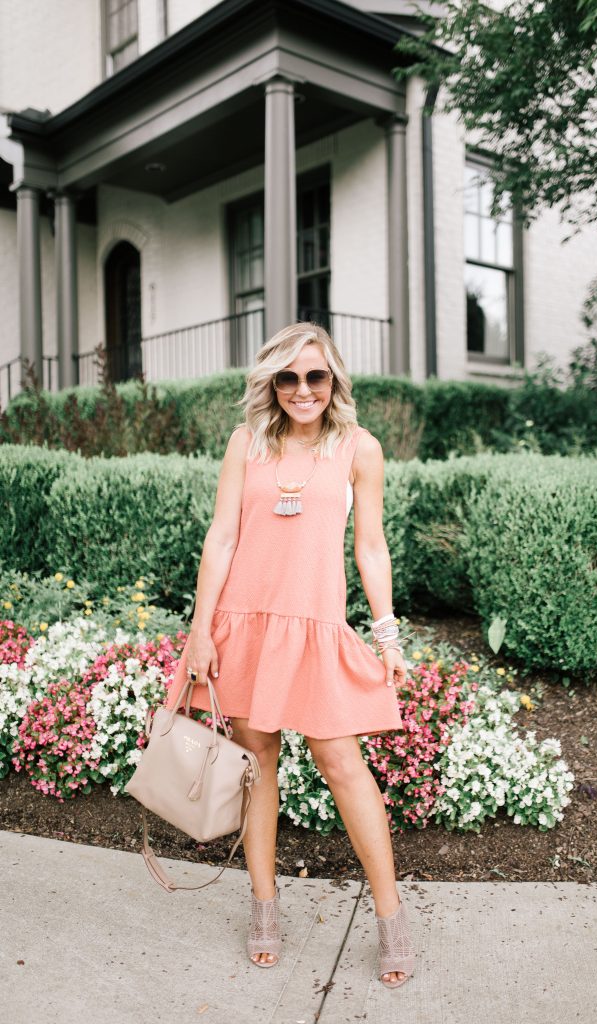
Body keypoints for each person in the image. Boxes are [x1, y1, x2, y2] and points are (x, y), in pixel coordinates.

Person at [163, 322, 416, 988]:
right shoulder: (245, 443)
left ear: (333, 382)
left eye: (315, 376)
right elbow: (221, 536)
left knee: (342, 762)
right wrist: (200, 629)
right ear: (270, 384)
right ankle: (264, 907)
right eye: (288, 377)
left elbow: (370, 547)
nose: (302, 390)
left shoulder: (359, 449)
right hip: (243, 624)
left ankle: (390, 918)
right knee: (258, 761)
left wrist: (387, 636)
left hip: (314, 627)